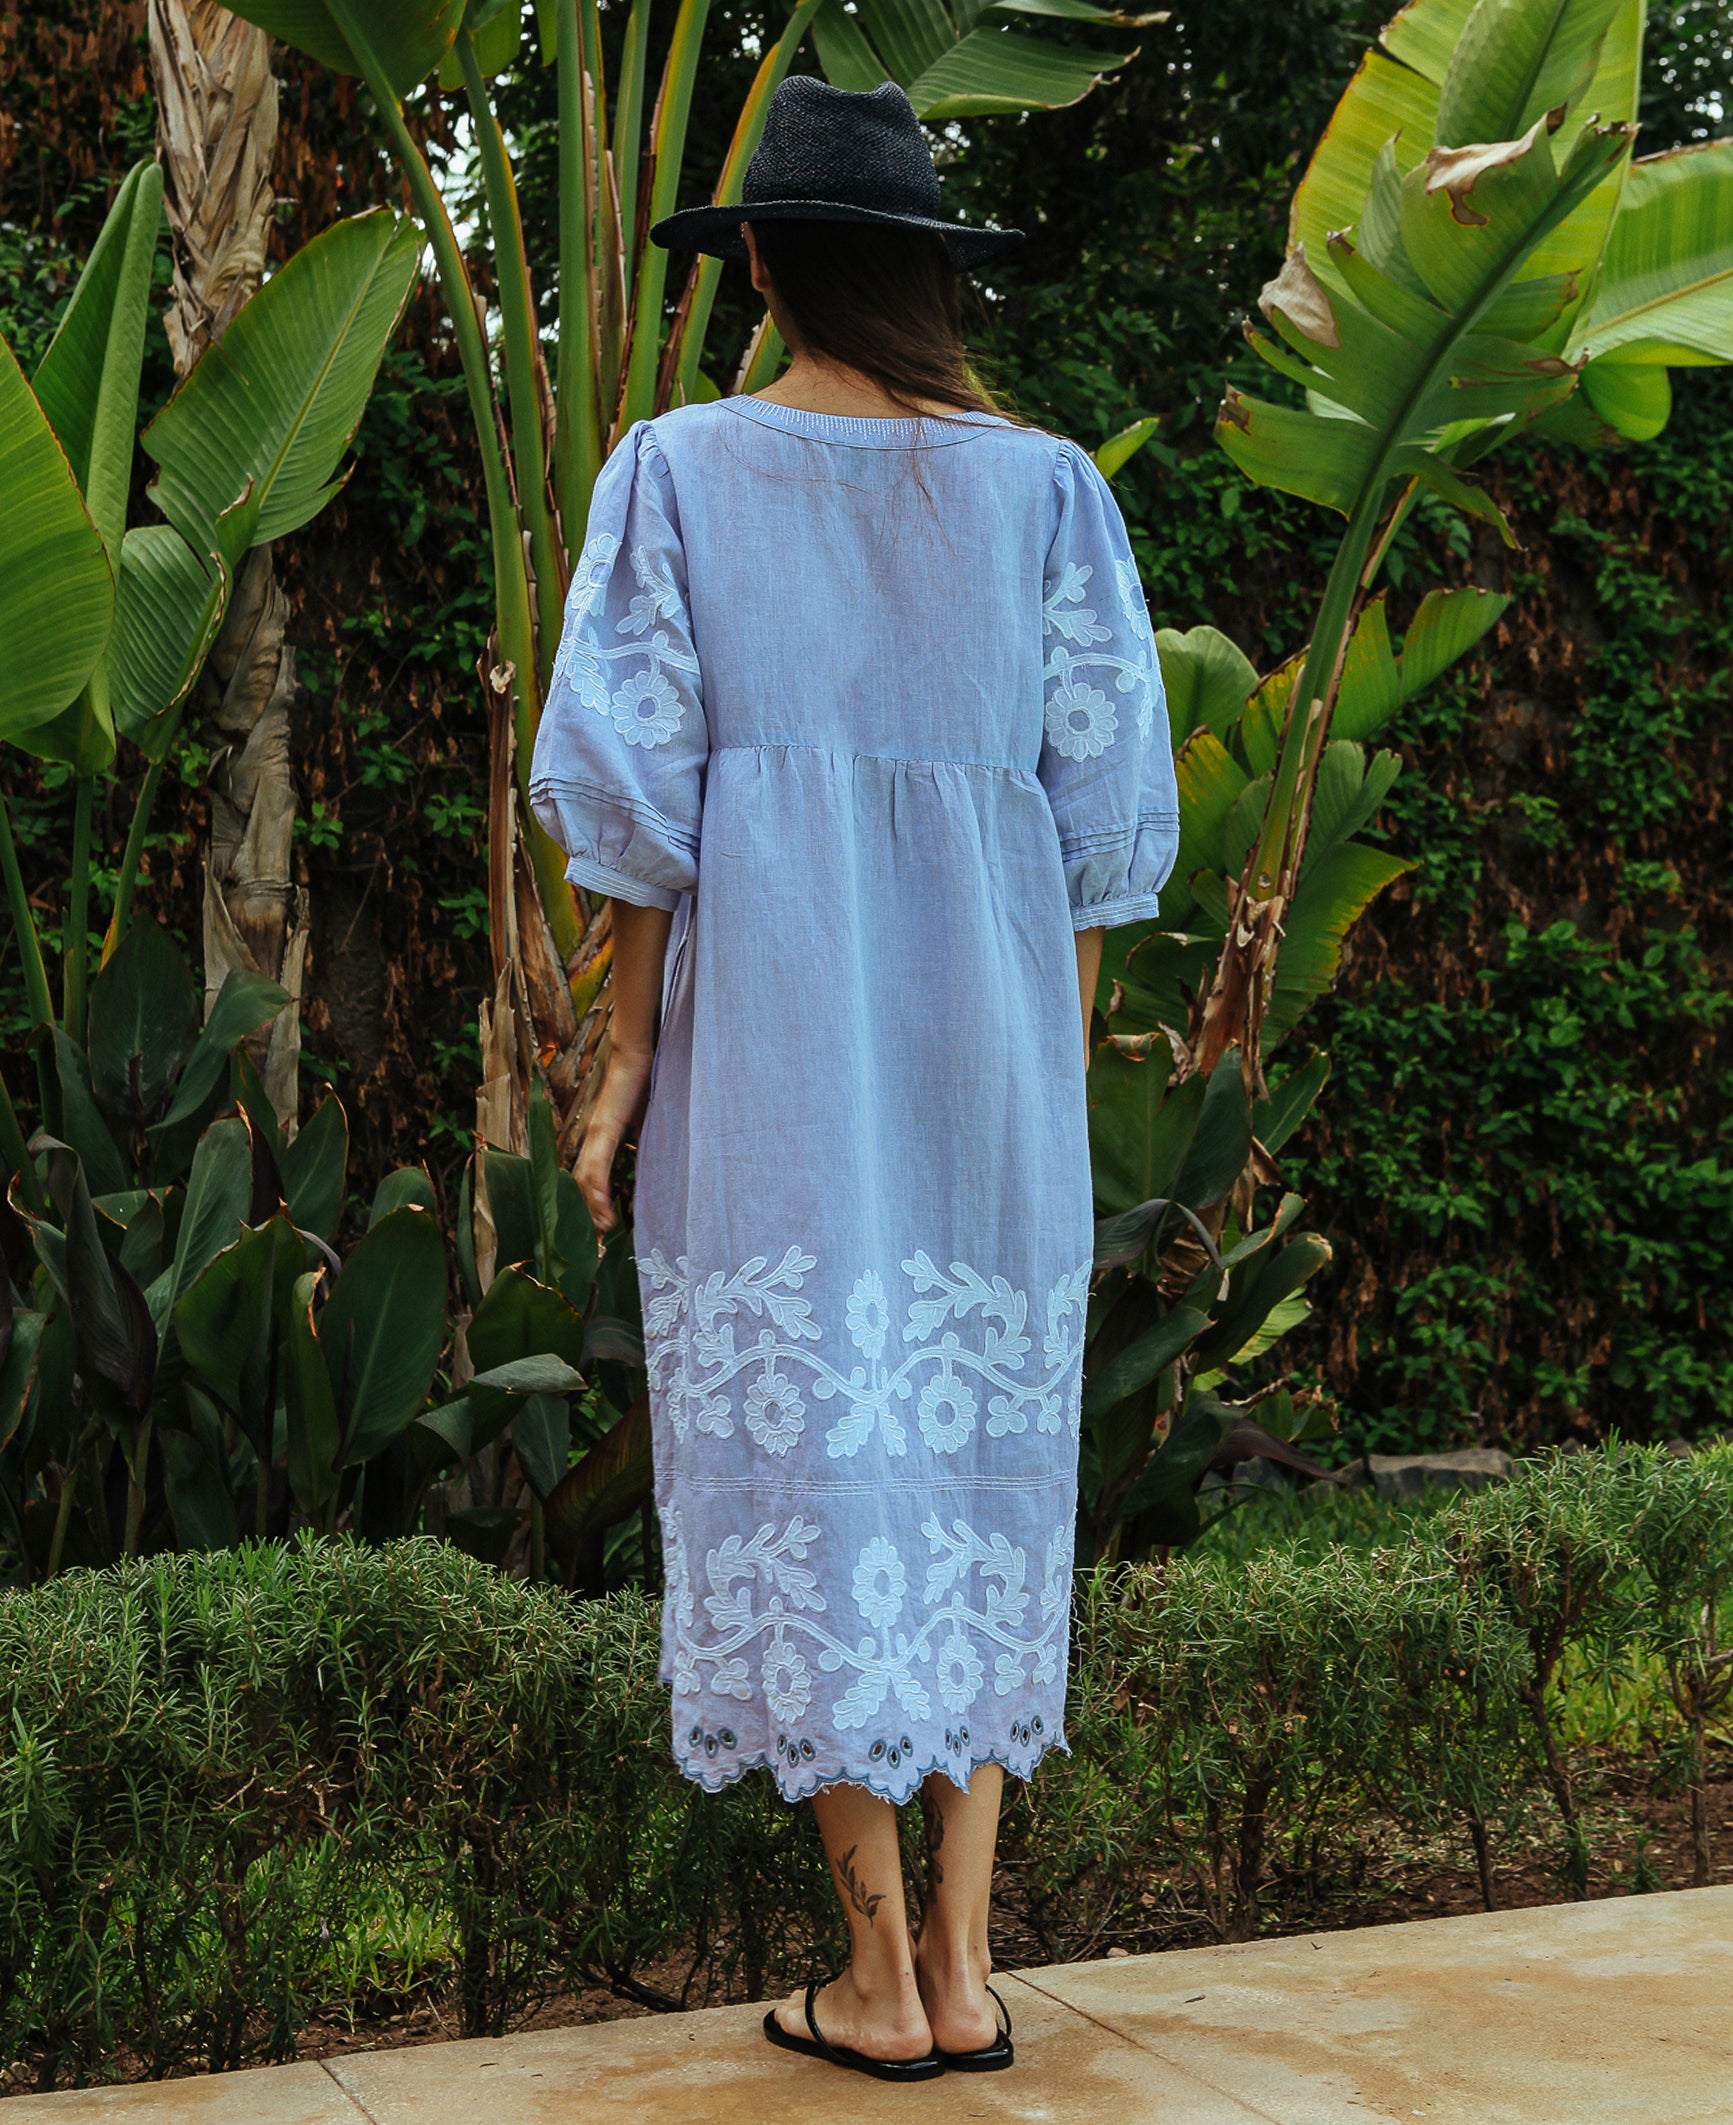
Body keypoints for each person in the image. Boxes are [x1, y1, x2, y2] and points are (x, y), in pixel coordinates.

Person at [531, 76, 1179, 2082]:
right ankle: (973, 1972)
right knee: (982, 1474)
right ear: (922, 271)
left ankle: (877, 1978)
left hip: (773, 1070)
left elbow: (631, 810)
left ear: (762, 267)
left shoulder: (674, 471)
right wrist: (1040, 1067)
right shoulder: (1048, 487)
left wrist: (629, 1049)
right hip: (989, 1074)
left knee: (800, 1474)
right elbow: (1103, 822)